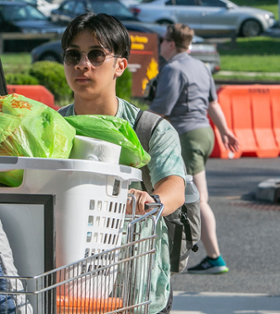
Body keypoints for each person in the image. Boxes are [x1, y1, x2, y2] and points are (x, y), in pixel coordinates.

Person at [56, 13, 186, 314]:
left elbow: (174, 187)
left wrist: (150, 200)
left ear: (120, 66)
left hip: (138, 289)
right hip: (66, 290)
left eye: (96, 55)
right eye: (73, 55)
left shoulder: (150, 129)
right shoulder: (49, 127)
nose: (82, 64)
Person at [148, 23, 239, 275]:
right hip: (204, 133)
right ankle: (211, 256)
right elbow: (213, 104)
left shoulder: (173, 69)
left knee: (200, 199)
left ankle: (214, 257)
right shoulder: (201, 66)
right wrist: (225, 131)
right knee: (198, 196)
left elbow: (160, 111)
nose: (161, 45)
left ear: (170, 43)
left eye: (163, 40)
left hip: (186, 136)